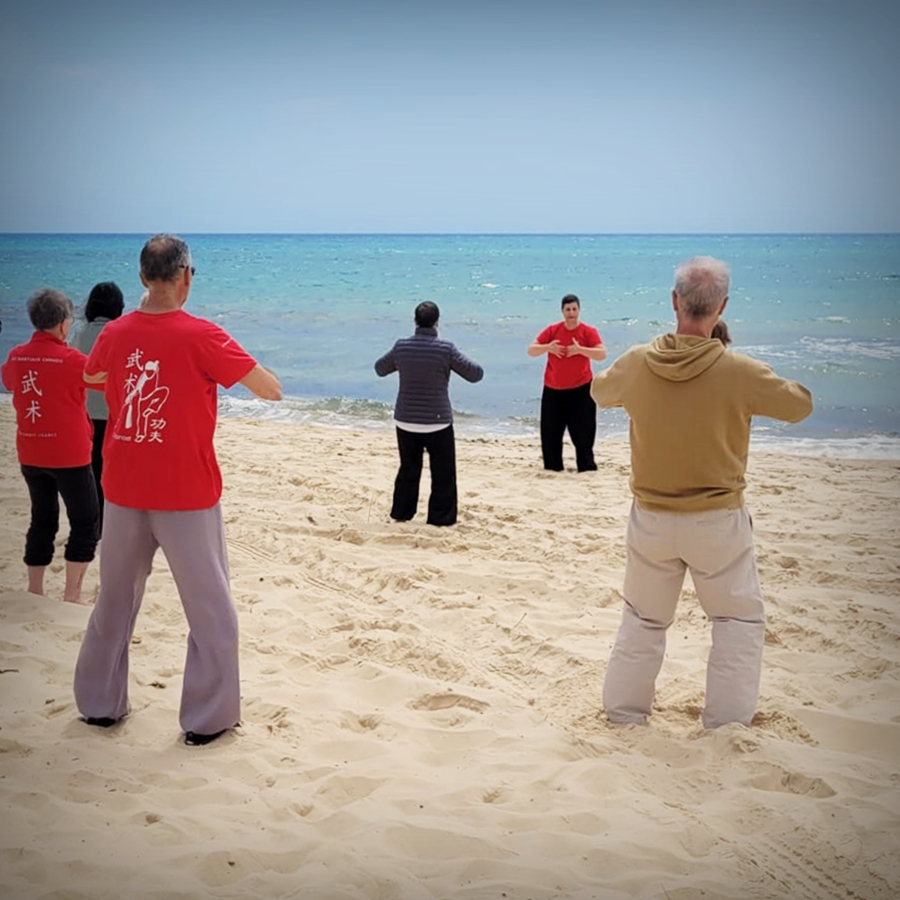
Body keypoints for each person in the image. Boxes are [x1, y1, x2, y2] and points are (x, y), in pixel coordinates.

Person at [73, 234, 283, 746]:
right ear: (186, 276)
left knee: (115, 603)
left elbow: (94, 376)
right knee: (211, 610)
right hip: (186, 491)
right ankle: (207, 720)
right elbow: (269, 388)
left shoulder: (117, 332)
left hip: (122, 485)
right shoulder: (203, 334)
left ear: (143, 278)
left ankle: (100, 706)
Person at [591, 257, 813, 729]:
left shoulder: (637, 361)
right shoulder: (739, 370)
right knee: (737, 623)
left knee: (643, 620)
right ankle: (726, 726)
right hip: (717, 520)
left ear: (675, 302)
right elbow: (800, 405)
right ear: (723, 307)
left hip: (651, 516)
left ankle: (624, 716)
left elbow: (598, 391)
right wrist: (745, 380)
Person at [1, 289, 99, 604]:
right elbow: (105, 379)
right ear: (62, 324)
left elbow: (8, 381)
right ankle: (72, 594)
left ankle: (36, 590)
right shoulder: (71, 359)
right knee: (85, 520)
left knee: (42, 518)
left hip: (31, 451)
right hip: (69, 454)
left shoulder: (17, 355)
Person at [374, 301, 483, 526]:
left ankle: (401, 514)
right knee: (443, 474)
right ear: (437, 322)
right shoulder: (445, 349)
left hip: (405, 420)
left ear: (415, 321)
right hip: (438, 421)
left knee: (408, 469)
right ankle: (440, 519)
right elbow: (475, 374)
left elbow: (380, 369)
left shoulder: (401, 346)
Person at [69, 281, 125, 533]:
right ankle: (111, 524)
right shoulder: (119, 333)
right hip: (114, 414)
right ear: (118, 308)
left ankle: (96, 523)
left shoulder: (79, 334)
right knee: (112, 473)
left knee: (91, 471)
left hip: (85, 415)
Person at [528, 294, 607, 472]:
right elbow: (531, 350)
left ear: (579, 310)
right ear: (562, 311)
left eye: (574, 309)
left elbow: (602, 354)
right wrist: (548, 347)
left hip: (581, 388)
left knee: (584, 433)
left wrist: (580, 350)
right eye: (567, 309)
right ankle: (553, 468)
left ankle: (586, 467)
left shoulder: (588, 331)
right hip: (553, 389)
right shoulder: (552, 330)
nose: (571, 313)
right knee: (550, 434)